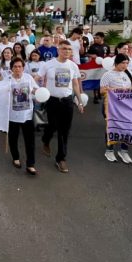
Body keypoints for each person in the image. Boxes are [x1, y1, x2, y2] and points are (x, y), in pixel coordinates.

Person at [40, 40, 84, 173]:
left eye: (69, 49)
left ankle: (60, 158)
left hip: (67, 101)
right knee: (52, 126)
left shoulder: (73, 66)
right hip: (52, 101)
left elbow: (75, 84)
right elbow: (37, 78)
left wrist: (80, 101)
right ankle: (46, 139)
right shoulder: (48, 65)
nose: (67, 51)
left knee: (64, 130)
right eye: (64, 48)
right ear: (58, 50)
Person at [99, 53, 132, 164]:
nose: (125, 65)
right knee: (112, 127)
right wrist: (117, 91)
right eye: (123, 63)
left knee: (128, 127)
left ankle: (124, 151)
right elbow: (102, 91)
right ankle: (109, 150)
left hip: (127, 106)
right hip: (111, 106)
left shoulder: (128, 73)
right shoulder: (108, 75)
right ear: (116, 62)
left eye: (127, 63)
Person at [7, 58, 40, 175]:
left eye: (19, 66)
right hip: (12, 116)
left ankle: (30, 164)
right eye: (15, 67)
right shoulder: (7, 80)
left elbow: (35, 89)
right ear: (11, 68)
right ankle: (15, 157)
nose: (17, 69)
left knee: (30, 141)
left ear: (23, 67)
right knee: (13, 139)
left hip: (27, 115)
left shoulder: (28, 78)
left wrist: (38, 92)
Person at [87, 32, 111, 104]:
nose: (95, 39)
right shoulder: (93, 46)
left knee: (102, 79)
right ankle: (95, 96)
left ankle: (101, 92)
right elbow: (87, 53)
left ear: (102, 38)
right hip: (95, 66)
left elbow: (108, 55)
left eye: (97, 38)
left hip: (104, 66)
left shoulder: (106, 46)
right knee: (96, 79)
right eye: (95, 38)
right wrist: (92, 55)